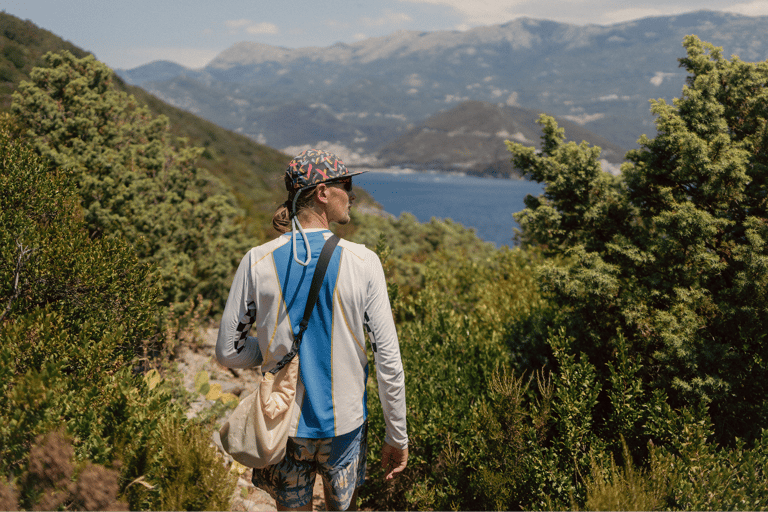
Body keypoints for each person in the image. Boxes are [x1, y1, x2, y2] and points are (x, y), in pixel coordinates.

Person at [216, 149, 408, 512]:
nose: (351, 195)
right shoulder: (364, 262)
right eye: (345, 185)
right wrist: (397, 434)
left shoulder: (257, 260)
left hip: (283, 425)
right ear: (322, 192)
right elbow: (389, 361)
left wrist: (273, 349)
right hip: (344, 427)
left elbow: (228, 350)